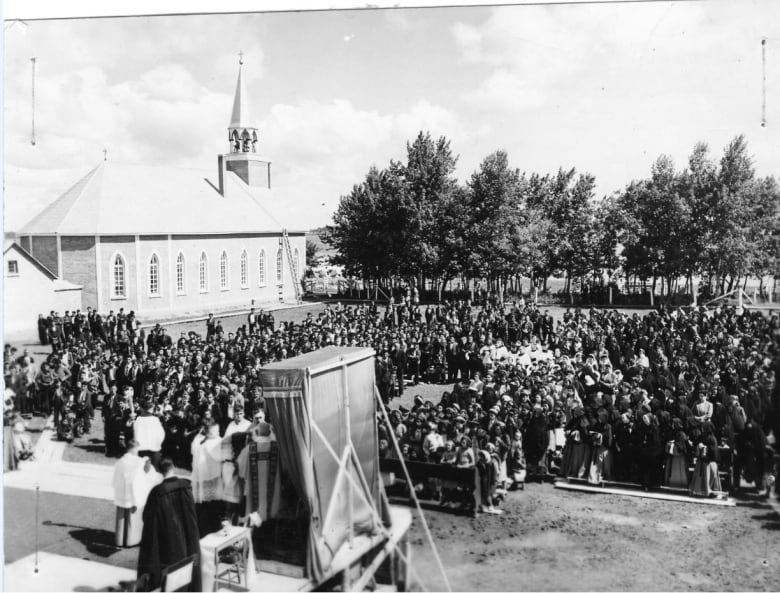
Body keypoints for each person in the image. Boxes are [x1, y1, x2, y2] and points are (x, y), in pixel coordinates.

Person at [137, 457, 201, 591]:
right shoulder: (186, 486)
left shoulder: (158, 492)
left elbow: (148, 519)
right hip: (189, 536)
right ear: (174, 468)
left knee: (173, 570)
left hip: (171, 539)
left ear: (160, 472)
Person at [112, 439, 161, 547]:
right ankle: (131, 540)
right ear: (135, 449)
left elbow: (116, 478)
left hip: (122, 493)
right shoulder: (140, 462)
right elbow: (149, 475)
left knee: (122, 517)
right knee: (133, 518)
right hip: (134, 494)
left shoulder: (120, 461)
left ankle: (119, 540)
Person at [190, 421, 223, 535]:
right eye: (217, 431)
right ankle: (212, 528)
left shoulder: (200, 440)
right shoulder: (211, 443)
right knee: (212, 504)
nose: (219, 433)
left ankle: (205, 528)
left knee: (205, 504)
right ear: (209, 433)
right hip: (211, 476)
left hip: (204, 476)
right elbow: (220, 456)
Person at [133, 397, 166, 470]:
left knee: (140, 470)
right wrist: (157, 444)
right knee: (153, 470)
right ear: (151, 409)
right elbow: (161, 435)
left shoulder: (138, 419)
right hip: (153, 448)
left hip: (141, 447)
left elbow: (135, 432)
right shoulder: (155, 420)